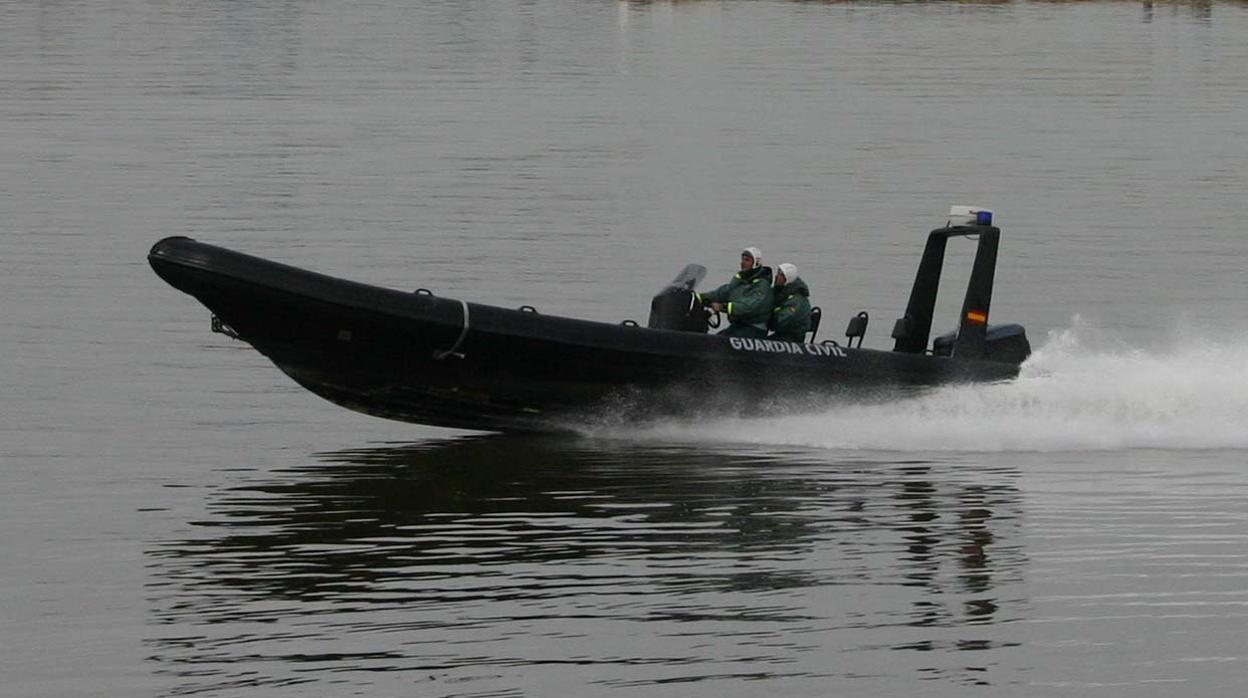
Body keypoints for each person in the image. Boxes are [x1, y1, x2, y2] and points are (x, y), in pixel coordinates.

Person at [698, 247, 773, 338]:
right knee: (718, 338)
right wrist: (698, 297)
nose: (743, 263)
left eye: (747, 260)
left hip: (753, 328)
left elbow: (747, 307)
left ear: (756, 263)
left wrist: (723, 307)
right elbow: (722, 293)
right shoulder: (740, 280)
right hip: (738, 325)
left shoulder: (762, 286)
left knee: (722, 342)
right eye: (742, 259)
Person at [768, 262, 812, 343]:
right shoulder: (780, 293)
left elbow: (783, 319)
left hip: (792, 338)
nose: (776, 276)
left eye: (780, 274)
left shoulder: (797, 300)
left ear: (787, 278)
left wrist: (767, 318)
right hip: (781, 335)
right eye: (777, 273)